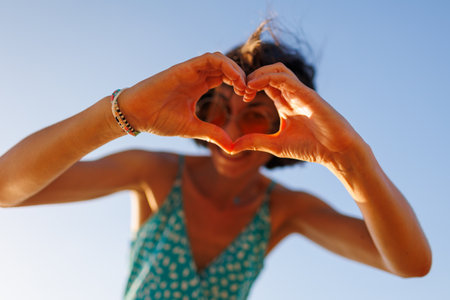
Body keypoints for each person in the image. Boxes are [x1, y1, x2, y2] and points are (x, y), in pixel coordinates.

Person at [0, 22, 431, 300]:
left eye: (257, 118)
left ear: (286, 132)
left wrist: (348, 160)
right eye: (220, 108)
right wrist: (123, 113)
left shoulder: (282, 211)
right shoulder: (156, 173)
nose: (230, 132)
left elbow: (410, 264)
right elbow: (6, 188)